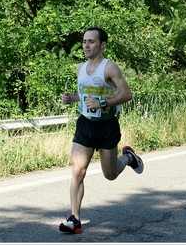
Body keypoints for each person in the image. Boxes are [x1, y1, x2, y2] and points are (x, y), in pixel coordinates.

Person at [59, 27, 144, 234]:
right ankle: (74, 219)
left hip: (107, 125)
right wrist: (73, 99)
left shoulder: (110, 68)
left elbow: (127, 94)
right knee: (78, 170)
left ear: (102, 45)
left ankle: (129, 158)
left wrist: (103, 102)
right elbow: (85, 95)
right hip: (85, 124)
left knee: (110, 174)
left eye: (91, 42)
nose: (86, 45)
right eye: (84, 41)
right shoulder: (79, 68)